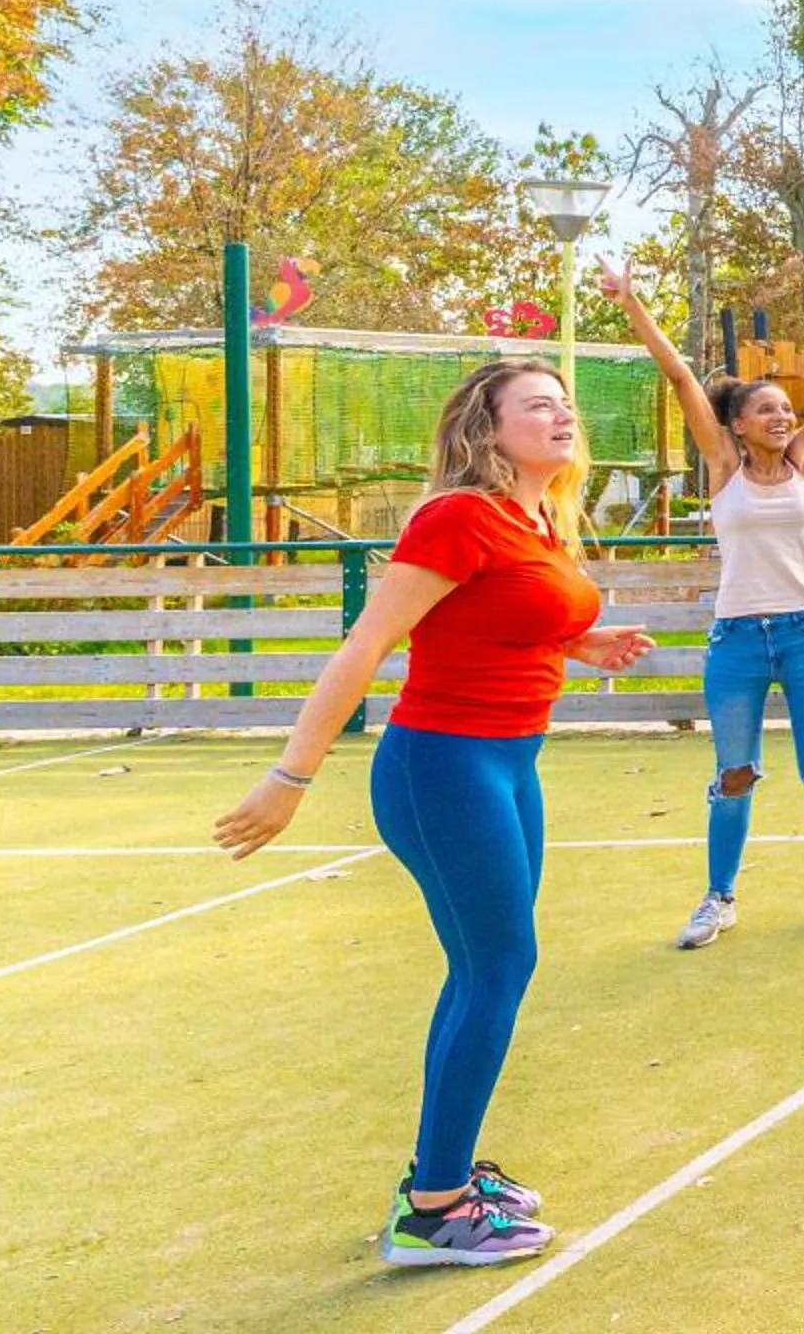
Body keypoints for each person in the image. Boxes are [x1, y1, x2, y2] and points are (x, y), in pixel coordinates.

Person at [213, 361, 653, 1266]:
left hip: (509, 763)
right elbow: (368, 643)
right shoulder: (457, 516)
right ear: (487, 429)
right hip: (443, 767)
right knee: (499, 967)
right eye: (538, 405)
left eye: (565, 404)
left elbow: (497, 615)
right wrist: (289, 779)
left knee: (486, 967)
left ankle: (443, 1172)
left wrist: (578, 640)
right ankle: (433, 1212)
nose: (562, 415)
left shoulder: (537, 517)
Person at [600, 266, 804, 950]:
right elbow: (680, 377)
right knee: (735, 773)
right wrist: (632, 302)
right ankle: (718, 898)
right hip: (737, 641)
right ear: (737, 424)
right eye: (766, 411)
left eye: (787, 409)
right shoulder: (724, 467)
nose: (782, 417)